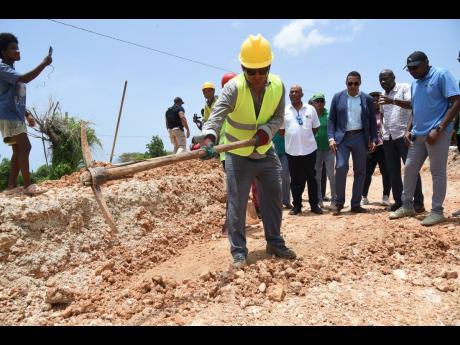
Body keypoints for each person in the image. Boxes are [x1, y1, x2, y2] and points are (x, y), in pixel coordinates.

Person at [197, 34, 296, 268]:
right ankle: (239, 252)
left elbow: (278, 117)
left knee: (273, 199)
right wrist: (209, 137)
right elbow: (216, 116)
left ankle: (274, 242)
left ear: (269, 66)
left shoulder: (279, 86)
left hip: (265, 151)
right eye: (252, 71)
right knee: (237, 203)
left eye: (262, 70)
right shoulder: (233, 88)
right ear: (243, 68)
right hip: (237, 156)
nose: (257, 76)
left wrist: (266, 132)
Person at [389, 51, 460, 226]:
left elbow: (457, 101)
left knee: (437, 172)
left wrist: (440, 128)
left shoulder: (441, 75)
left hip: (437, 134)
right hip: (418, 134)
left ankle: (437, 211)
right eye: (409, 69)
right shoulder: (415, 84)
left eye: (415, 67)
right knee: (410, 168)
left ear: (426, 62)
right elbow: (415, 108)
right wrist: (408, 129)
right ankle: (407, 206)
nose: (412, 71)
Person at [0, 32, 51, 195]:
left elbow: (15, 97)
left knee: (17, 149)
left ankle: (11, 187)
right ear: (3, 52)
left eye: (18, 48)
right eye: (13, 48)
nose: (18, 51)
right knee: (25, 146)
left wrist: (27, 114)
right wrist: (44, 64)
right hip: (7, 115)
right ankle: (29, 185)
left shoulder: (10, 70)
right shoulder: (3, 69)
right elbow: (26, 78)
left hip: (14, 115)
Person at [328, 71, 378, 216]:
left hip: (360, 137)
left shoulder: (367, 99)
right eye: (350, 83)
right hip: (342, 139)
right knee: (341, 167)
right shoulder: (338, 97)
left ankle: (356, 204)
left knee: (360, 171)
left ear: (360, 83)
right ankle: (338, 203)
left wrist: (374, 139)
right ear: (346, 83)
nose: (353, 86)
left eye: (356, 83)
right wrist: (331, 138)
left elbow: (372, 122)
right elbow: (332, 120)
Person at [378, 69, 425, 213]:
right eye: (381, 79)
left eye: (386, 78)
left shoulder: (404, 88)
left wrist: (408, 130)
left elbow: (412, 106)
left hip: (403, 136)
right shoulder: (382, 96)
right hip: (388, 137)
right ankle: (399, 201)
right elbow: (382, 114)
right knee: (393, 172)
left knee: (411, 170)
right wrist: (381, 131)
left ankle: (418, 203)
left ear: (394, 77)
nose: (383, 82)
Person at [284, 85, 322, 215]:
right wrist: (294, 138)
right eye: (291, 92)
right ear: (289, 95)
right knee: (294, 179)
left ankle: (314, 205)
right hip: (292, 151)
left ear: (302, 94)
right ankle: (297, 206)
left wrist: (305, 137)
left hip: (310, 149)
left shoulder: (310, 109)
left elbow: (315, 127)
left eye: (296, 92)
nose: (293, 94)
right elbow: (281, 130)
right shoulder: (285, 111)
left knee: (312, 178)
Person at [361, 92, 391, 206]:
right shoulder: (366, 115)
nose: (375, 102)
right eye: (372, 100)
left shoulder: (385, 113)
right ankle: (364, 196)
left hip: (384, 146)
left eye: (377, 100)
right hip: (370, 147)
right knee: (367, 173)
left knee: (386, 172)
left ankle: (386, 196)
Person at [312, 92, 336, 210]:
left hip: (329, 150)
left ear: (324, 102)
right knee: (317, 176)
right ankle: (319, 200)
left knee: (331, 175)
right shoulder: (311, 115)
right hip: (315, 150)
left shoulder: (329, 114)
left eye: (321, 101)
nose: (319, 103)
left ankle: (334, 200)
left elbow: (334, 129)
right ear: (314, 103)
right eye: (317, 101)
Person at [272, 124, 292, 209]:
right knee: (275, 177)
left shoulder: (286, 117)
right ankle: (277, 201)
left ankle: (286, 201)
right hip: (272, 151)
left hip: (285, 151)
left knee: (285, 176)